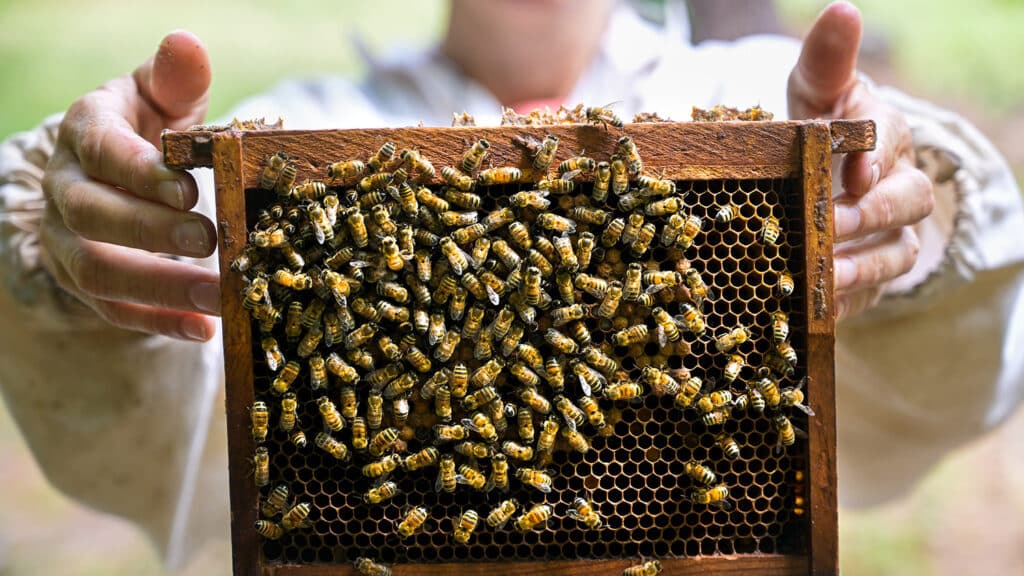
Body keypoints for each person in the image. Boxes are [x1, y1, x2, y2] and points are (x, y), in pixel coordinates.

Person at [0, 0, 1021, 571]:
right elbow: (162, 453)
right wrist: (76, 244)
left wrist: (907, 216)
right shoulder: (284, 137)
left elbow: (950, 386)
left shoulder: (755, 93)